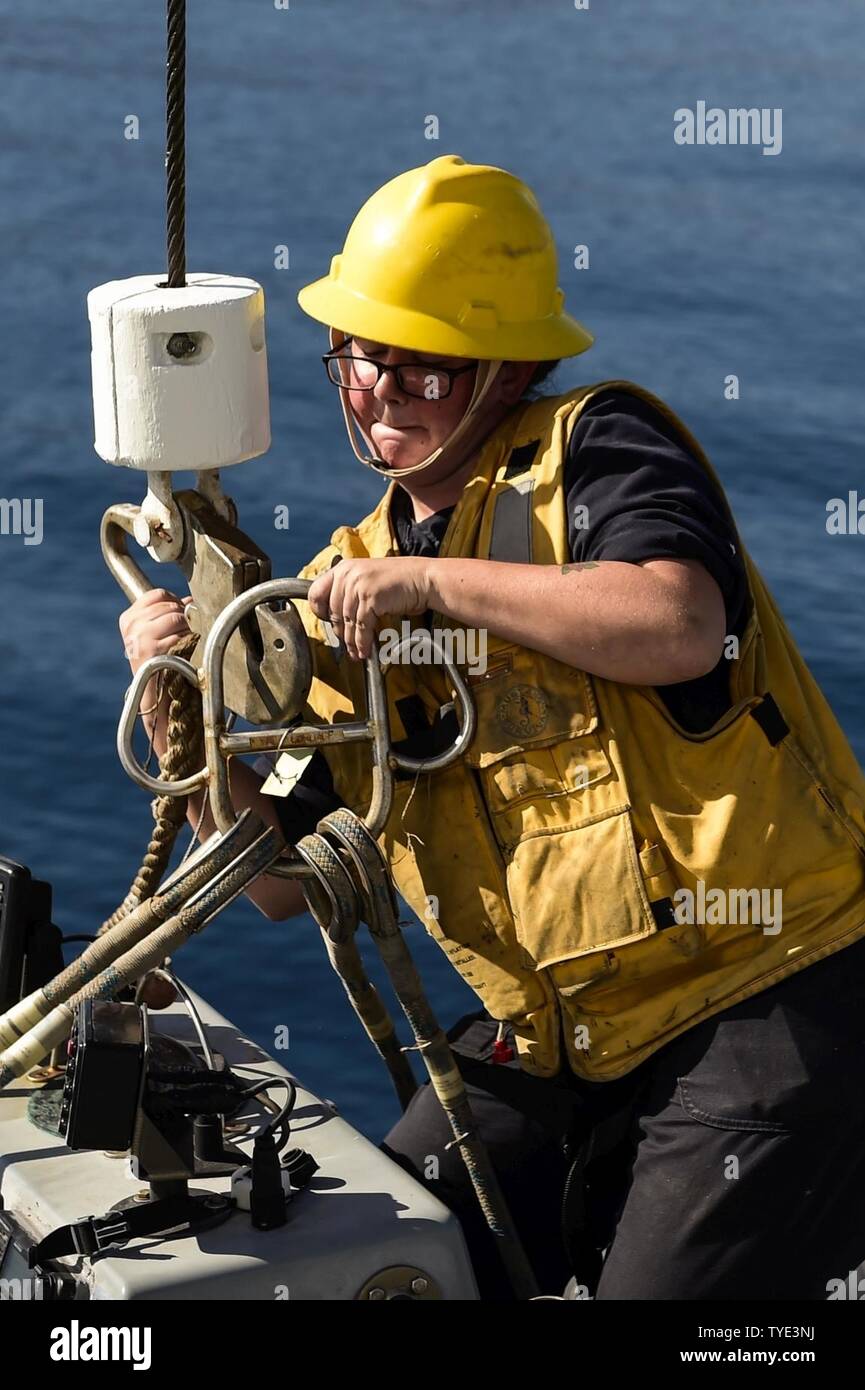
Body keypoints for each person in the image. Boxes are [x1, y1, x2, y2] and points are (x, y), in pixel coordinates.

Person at [120, 155, 865, 1301]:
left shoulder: (594, 449)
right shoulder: (345, 582)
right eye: (359, 358)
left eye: (419, 367)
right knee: (361, 1262)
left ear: (509, 366)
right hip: (563, 1041)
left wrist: (442, 588)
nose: (377, 391)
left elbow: (676, 622)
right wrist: (182, 718)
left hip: (767, 988)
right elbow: (269, 879)